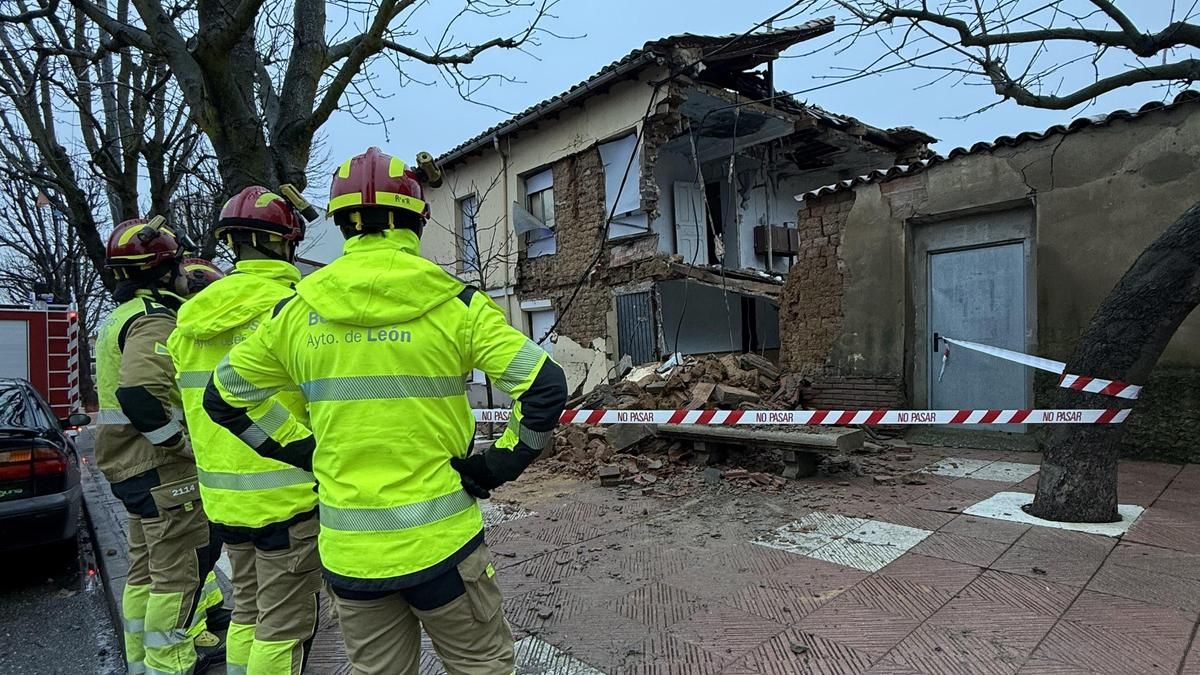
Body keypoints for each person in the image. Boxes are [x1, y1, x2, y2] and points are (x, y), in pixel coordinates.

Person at [203, 147, 567, 674]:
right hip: (444, 546)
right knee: (483, 667)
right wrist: (501, 461)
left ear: (342, 225)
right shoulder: (453, 304)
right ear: (415, 221)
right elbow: (545, 385)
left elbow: (224, 397)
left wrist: (304, 450)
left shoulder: (295, 311)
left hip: (352, 557)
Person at [169, 188, 320, 675]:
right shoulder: (297, 310)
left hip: (223, 499)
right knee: (283, 628)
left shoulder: (190, 318)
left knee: (248, 614)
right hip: (289, 498)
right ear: (286, 243)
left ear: (230, 243)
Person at [95, 219, 226, 675]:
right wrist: (181, 445)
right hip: (158, 468)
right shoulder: (154, 318)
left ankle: (142, 659)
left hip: (128, 464)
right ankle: (171, 663)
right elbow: (139, 395)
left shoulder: (121, 315)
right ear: (163, 268)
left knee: (146, 569)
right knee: (177, 573)